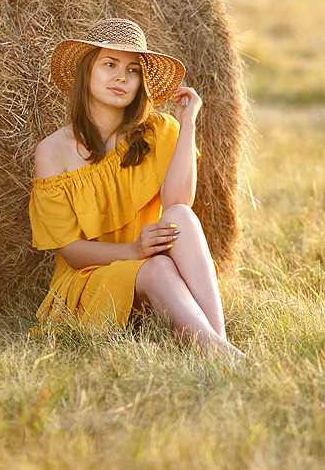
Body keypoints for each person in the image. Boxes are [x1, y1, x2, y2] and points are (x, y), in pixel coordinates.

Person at [29, 18, 244, 359]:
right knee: (157, 267)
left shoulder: (158, 130)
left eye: (132, 70)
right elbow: (71, 251)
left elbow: (178, 203)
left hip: (153, 273)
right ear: (87, 72)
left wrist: (186, 124)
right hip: (90, 280)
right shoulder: (53, 152)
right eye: (109, 64)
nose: (121, 77)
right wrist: (135, 251)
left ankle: (217, 344)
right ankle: (218, 351)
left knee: (181, 217)